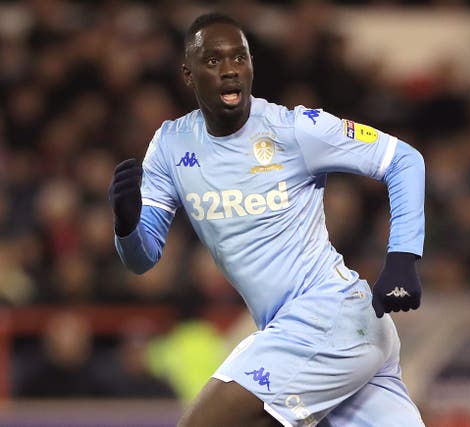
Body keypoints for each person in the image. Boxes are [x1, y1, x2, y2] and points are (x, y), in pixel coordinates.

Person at [109, 12, 425, 427]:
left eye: (239, 58)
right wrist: (127, 224)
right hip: (322, 335)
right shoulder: (171, 144)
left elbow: (403, 159)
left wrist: (402, 257)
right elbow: (142, 258)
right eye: (214, 61)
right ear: (188, 74)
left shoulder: (293, 129)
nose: (229, 71)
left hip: (330, 316)